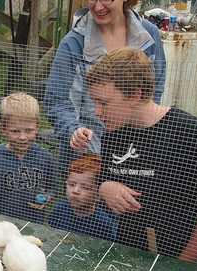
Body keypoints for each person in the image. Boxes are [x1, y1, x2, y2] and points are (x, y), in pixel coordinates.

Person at [80, 48, 197, 263]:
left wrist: (185, 262)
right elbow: (106, 176)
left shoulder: (192, 134)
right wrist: (104, 188)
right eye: (94, 102)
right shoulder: (114, 133)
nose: (97, 111)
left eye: (103, 102)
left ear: (135, 95)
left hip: (183, 258)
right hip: (132, 251)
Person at [44, 0, 166, 177]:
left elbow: (155, 90)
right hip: (86, 159)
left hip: (134, 151)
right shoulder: (74, 42)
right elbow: (56, 100)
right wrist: (73, 130)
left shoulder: (149, 36)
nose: (98, 7)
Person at [0, 92, 59, 223]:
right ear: (3, 129)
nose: (23, 137)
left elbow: (52, 188)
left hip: (34, 224)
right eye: (15, 131)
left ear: (37, 127)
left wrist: (46, 198)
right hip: (2, 225)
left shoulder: (46, 157)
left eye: (29, 130)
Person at [49, 154, 117, 240]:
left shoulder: (105, 224)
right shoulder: (59, 209)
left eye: (85, 187)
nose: (75, 191)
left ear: (98, 194)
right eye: (71, 184)